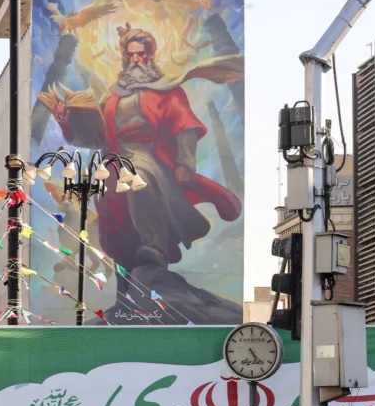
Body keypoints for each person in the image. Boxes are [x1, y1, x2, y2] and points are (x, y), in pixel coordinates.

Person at [46, 24, 242, 277]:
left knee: (139, 179)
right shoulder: (112, 96)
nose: (136, 59)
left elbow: (186, 127)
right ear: (125, 57)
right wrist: (65, 121)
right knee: (104, 196)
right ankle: (125, 253)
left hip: (148, 154)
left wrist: (185, 163)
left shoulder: (165, 90)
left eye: (141, 54)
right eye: (131, 54)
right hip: (114, 157)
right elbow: (96, 137)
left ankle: (154, 246)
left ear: (149, 55)